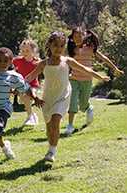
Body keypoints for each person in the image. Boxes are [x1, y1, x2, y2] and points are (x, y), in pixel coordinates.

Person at [26, 31, 110, 162]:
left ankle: (51, 152)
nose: (58, 49)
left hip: (63, 96)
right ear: (49, 45)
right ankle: (51, 145)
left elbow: (86, 69)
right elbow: (30, 77)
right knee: (49, 128)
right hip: (47, 98)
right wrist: (21, 86)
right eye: (55, 45)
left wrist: (100, 77)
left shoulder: (67, 61)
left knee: (55, 121)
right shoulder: (43, 63)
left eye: (61, 46)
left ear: (64, 46)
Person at [65, 27, 124, 135]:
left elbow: (104, 58)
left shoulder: (90, 48)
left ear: (85, 36)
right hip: (73, 79)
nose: (78, 38)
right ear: (72, 38)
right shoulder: (71, 49)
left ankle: (88, 107)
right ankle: (70, 125)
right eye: (75, 36)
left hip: (87, 80)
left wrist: (115, 68)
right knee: (72, 102)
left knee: (83, 104)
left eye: (80, 35)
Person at [13, 39, 41, 126]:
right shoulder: (17, 60)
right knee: (24, 100)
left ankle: (30, 117)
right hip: (22, 86)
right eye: (23, 50)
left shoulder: (37, 62)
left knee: (26, 97)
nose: (25, 52)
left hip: (33, 85)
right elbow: (12, 70)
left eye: (27, 51)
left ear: (33, 50)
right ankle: (32, 115)